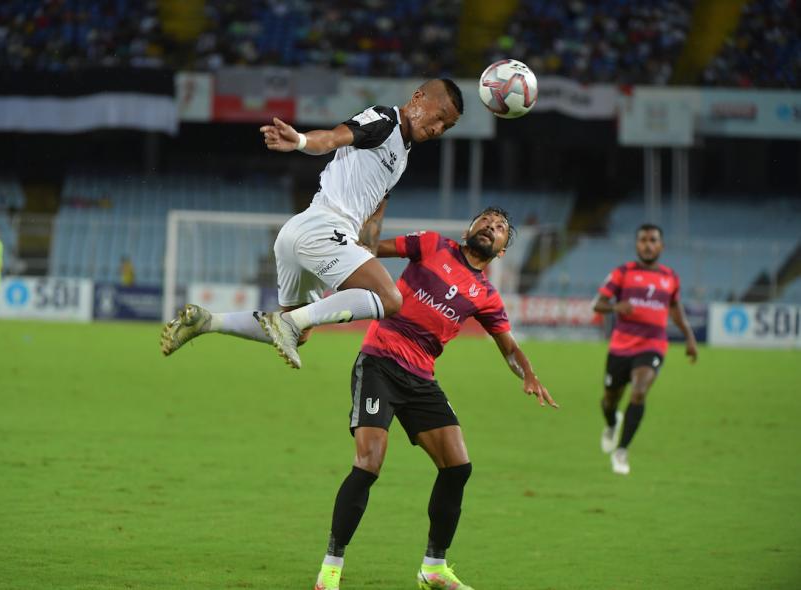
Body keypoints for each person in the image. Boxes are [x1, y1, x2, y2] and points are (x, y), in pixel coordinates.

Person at [314, 207, 558, 590]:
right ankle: (331, 566)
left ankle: (433, 568)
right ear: (469, 227)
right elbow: (372, 249)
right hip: (379, 362)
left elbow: (507, 346)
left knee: (458, 468)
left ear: (503, 249)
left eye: (499, 229)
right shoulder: (430, 244)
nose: (490, 228)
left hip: (421, 378)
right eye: (485, 221)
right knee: (368, 465)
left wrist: (528, 374)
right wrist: (365, 228)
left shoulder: (487, 296)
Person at [160, 79, 464, 367]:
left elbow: (376, 209)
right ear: (417, 98)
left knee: (300, 333)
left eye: (446, 126)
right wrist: (301, 140)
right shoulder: (385, 119)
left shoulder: (402, 155)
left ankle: (207, 321)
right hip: (323, 228)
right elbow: (333, 138)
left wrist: (367, 249)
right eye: (438, 117)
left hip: (301, 233)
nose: (438, 128)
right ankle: (287, 323)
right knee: (390, 299)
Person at [593, 223, 698, 475]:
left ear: (661, 245)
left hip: (652, 345)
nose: (648, 245)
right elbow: (599, 305)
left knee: (639, 393)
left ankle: (622, 451)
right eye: (643, 240)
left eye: (653, 240)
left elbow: (675, 309)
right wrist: (616, 308)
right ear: (636, 244)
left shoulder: (670, 277)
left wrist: (690, 338)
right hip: (621, 346)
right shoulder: (623, 273)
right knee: (609, 400)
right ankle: (611, 422)